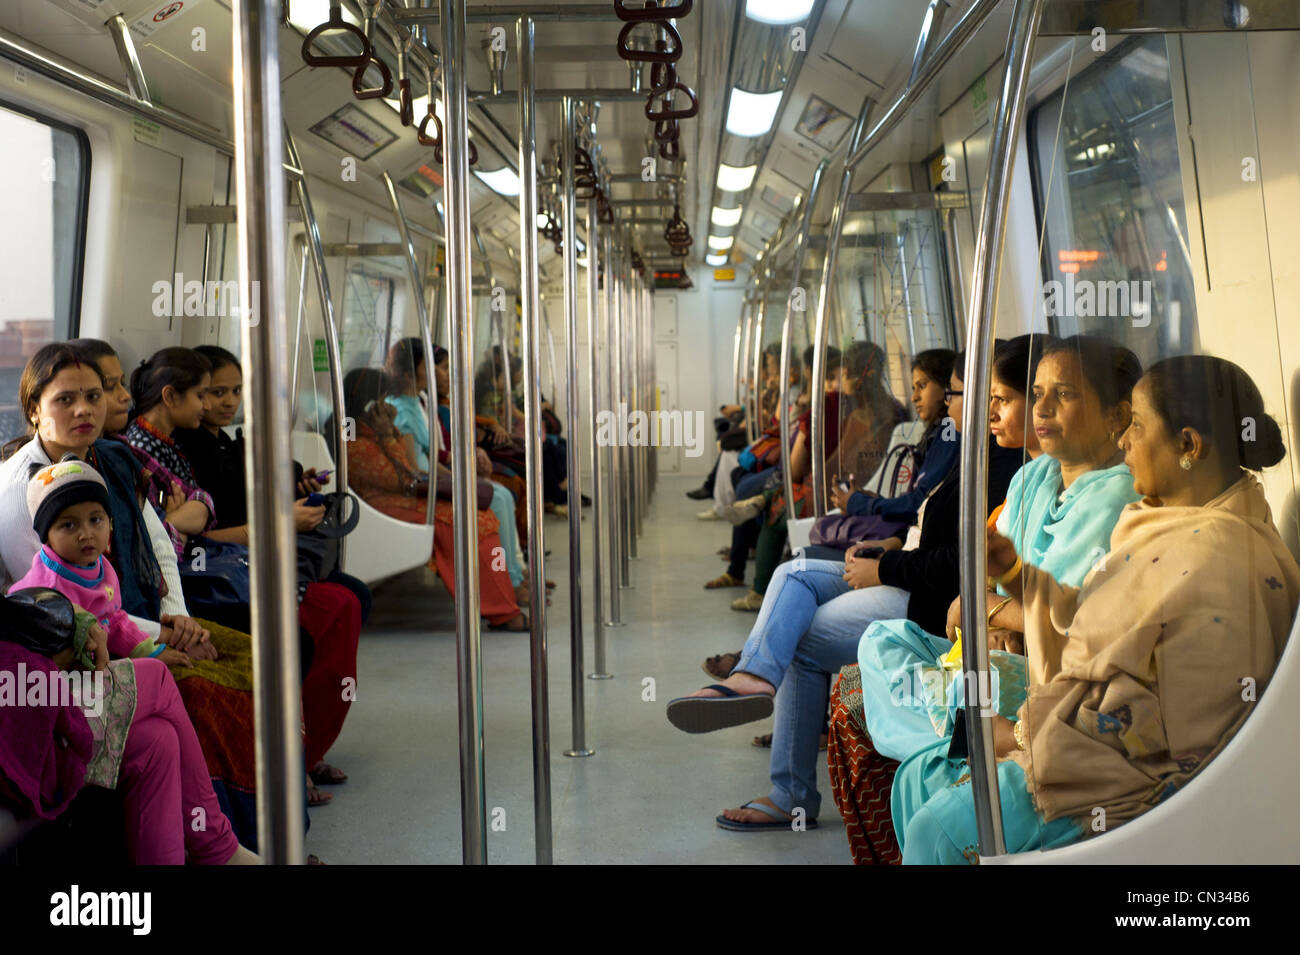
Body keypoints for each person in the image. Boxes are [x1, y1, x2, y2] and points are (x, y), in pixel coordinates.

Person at [893, 355, 1300, 863]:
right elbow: (1094, 623)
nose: (1124, 441)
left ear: (1189, 446)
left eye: (1137, 426)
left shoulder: (1216, 559)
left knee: (937, 831)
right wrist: (1020, 576)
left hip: (1147, 789)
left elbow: (1159, 729)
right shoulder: (1171, 523)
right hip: (1078, 732)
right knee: (919, 778)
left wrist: (1020, 736)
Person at [666, 352, 1022, 831]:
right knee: (794, 573)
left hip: (925, 597)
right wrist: (891, 544)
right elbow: (931, 525)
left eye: (964, 395)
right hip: (905, 564)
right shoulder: (967, 450)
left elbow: (960, 560)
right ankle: (754, 673)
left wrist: (887, 567)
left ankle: (787, 787)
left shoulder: (999, 465)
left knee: (802, 641)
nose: (952, 405)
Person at [161, 343, 368, 802]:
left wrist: (292, 490)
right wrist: (280, 521)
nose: (227, 402)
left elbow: (238, 499)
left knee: (353, 596)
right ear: (177, 396)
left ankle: (306, 750)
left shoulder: (219, 442)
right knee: (321, 623)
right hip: (215, 577)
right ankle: (293, 760)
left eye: (235, 391)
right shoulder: (184, 452)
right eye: (213, 393)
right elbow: (200, 539)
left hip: (247, 561)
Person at [0, 588, 259, 864]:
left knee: (156, 739)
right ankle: (214, 843)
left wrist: (79, 622)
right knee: (159, 678)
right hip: (18, 694)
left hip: (23, 683)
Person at [341, 367, 528, 630]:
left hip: (398, 499)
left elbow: (405, 470)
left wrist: (389, 434)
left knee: (483, 516)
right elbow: (403, 478)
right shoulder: (354, 444)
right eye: (380, 401)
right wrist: (387, 435)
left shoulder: (374, 435)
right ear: (367, 405)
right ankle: (502, 611)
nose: (384, 406)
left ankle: (505, 596)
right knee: (466, 522)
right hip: (382, 507)